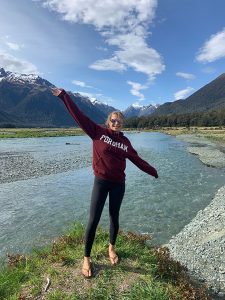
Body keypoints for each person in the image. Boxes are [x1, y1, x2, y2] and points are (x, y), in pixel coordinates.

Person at [52, 88, 158, 278]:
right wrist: (64, 97)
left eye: (119, 121)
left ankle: (111, 248)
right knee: (93, 219)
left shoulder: (125, 142)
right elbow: (79, 115)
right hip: (101, 182)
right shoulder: (97, 132)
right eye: (113, 120)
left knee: (114, 217)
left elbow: (137, 159)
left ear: (122, 123)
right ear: (108, 122)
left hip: (119, 184)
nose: (116, 123)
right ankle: (86, 257)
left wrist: (153, 171)